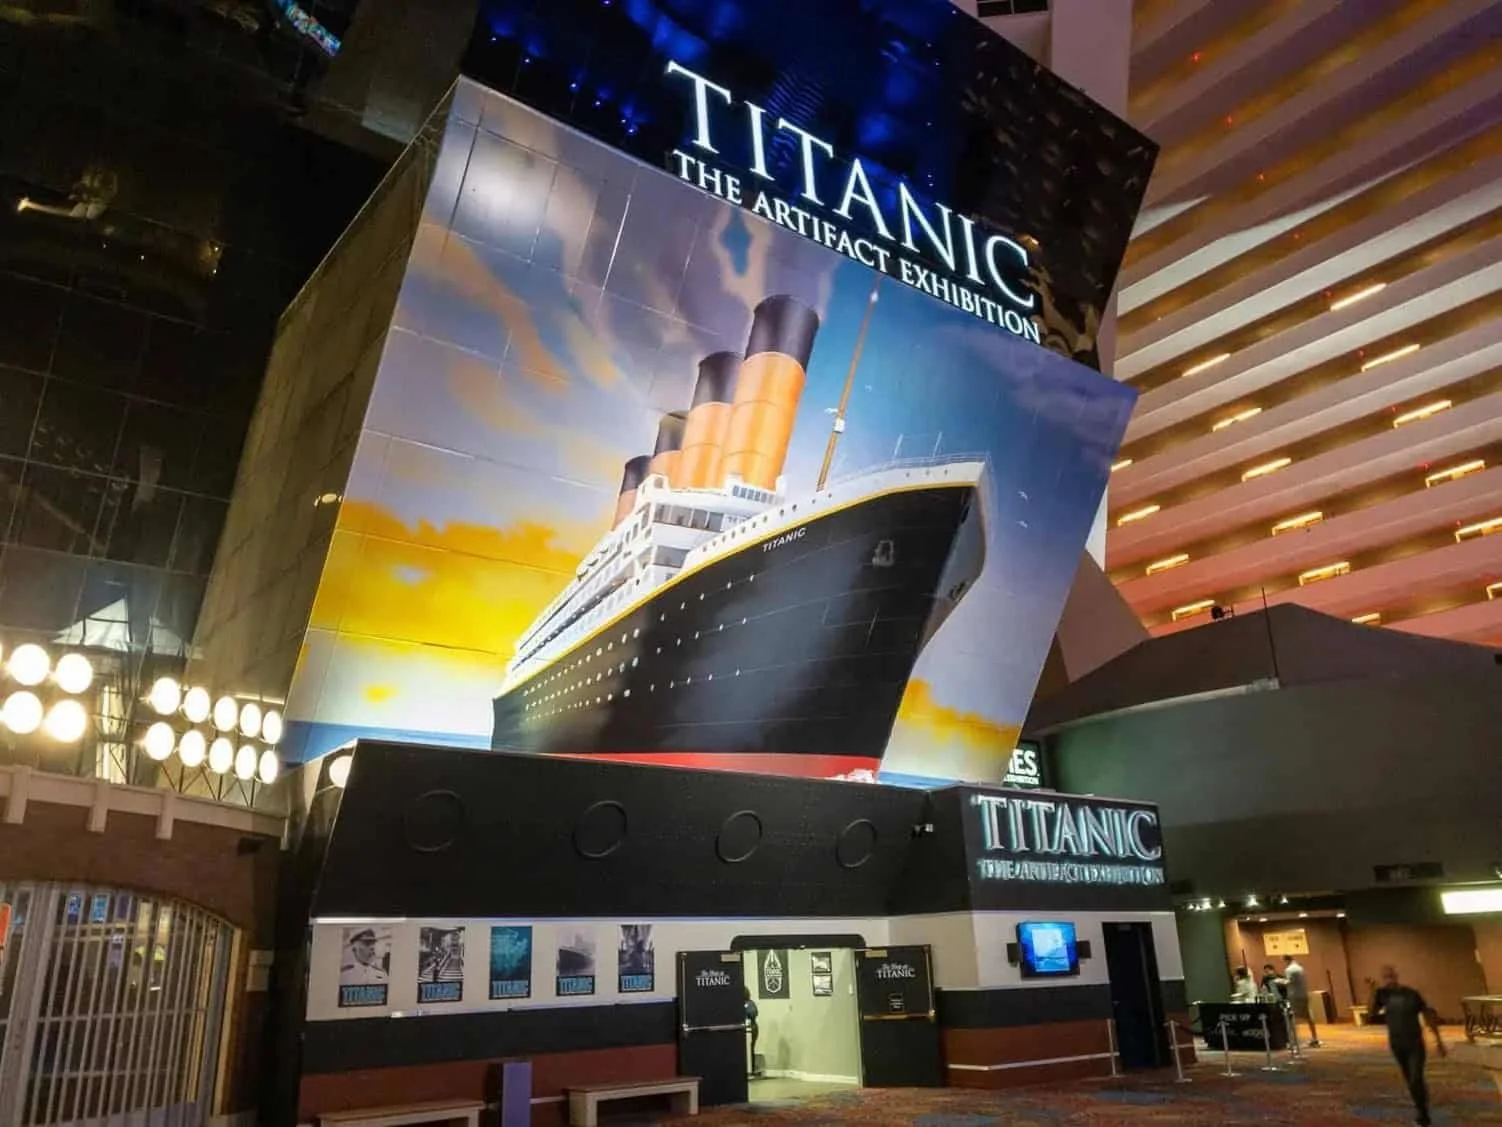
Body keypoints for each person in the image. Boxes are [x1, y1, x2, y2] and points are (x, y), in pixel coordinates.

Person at [1369, 965, 1446, 1127]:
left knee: (1415, 1078)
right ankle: (1420, 1104)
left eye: (1391, 976)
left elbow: (1427, 1014)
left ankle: (1423, 1115)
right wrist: (1372, 991)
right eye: (1386, 977)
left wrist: (1438, 1041)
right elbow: (1371, 1015)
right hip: (1397, 1044)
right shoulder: (1382, 995)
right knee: (1410, 1079)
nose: (1389, 979)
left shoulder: (1411, 994)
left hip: (1415, 1043)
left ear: (1396, 976)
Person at [1282, 955, 1321, 1047]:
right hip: (1304, 994)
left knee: (1292, 1018)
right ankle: (1315, 1038)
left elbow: (1288, 982)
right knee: (1308, 1017)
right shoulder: (1300, 968)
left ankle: (1293, 1041)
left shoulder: (1289, 970)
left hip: (1294, 996)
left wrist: (1279, 981)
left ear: (1286, 960)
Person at [743, 987, 760, 1077]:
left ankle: (751, 1069)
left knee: (750, 1049)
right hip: (742, 1030)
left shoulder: (750, 1003)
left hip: (751, 1029)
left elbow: (753, 1014)